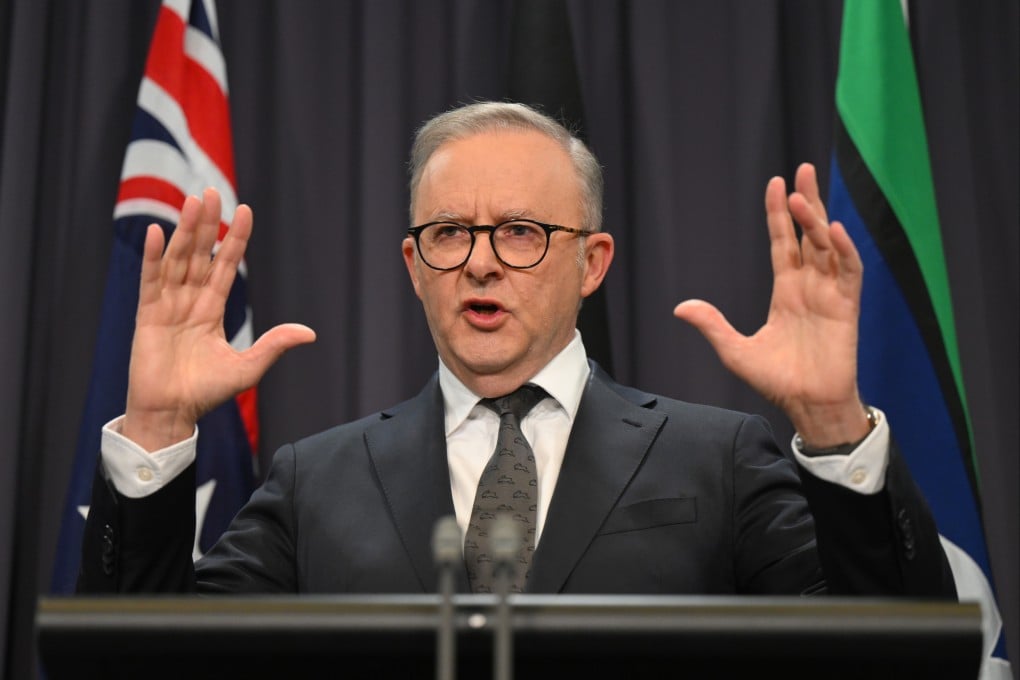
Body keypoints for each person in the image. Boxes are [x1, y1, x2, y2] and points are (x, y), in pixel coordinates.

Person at [78, 101, 953, 598]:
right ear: (414, 265)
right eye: (449, 233)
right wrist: (156, 425)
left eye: (522, 231)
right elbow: (147, 663)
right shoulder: (318, 482)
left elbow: (887, 651)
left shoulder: (716, 459)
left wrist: (834, 426)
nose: (481, 262)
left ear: (592, 262)